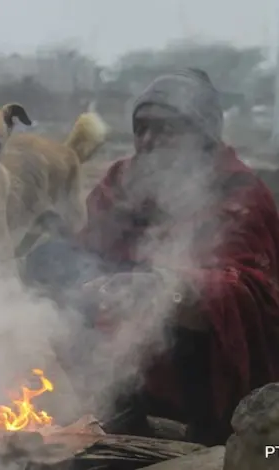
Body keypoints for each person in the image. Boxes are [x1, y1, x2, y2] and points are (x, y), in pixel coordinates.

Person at [24, 69, 279, 445]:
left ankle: (206, 430)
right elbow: (91, 249)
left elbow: (248, 290)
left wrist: (168, 288)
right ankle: (116, 405)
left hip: (202, 357)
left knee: (180, 304)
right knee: (51, 261)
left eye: (164, 129)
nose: (147, 140)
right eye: (141, 128)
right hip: (124, 345)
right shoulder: (123, 179)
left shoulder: (239, 192)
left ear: (201, 135)